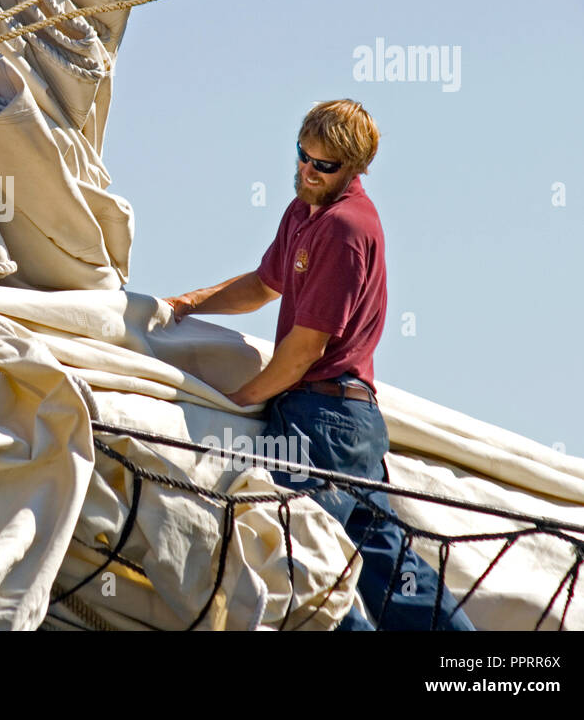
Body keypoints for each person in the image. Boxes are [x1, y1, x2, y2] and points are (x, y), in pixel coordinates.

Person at [165, 99, 474, 631]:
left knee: (299, 564)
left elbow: (305, 349)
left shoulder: (345, 228)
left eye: (323, 165)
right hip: (340, 423)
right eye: (302, 156)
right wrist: (187, 303)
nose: (307, 171)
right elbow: (264, 285)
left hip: (322, 420)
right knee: (389, 569)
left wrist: (234, 402)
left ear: (354, 169)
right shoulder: (304, 212)